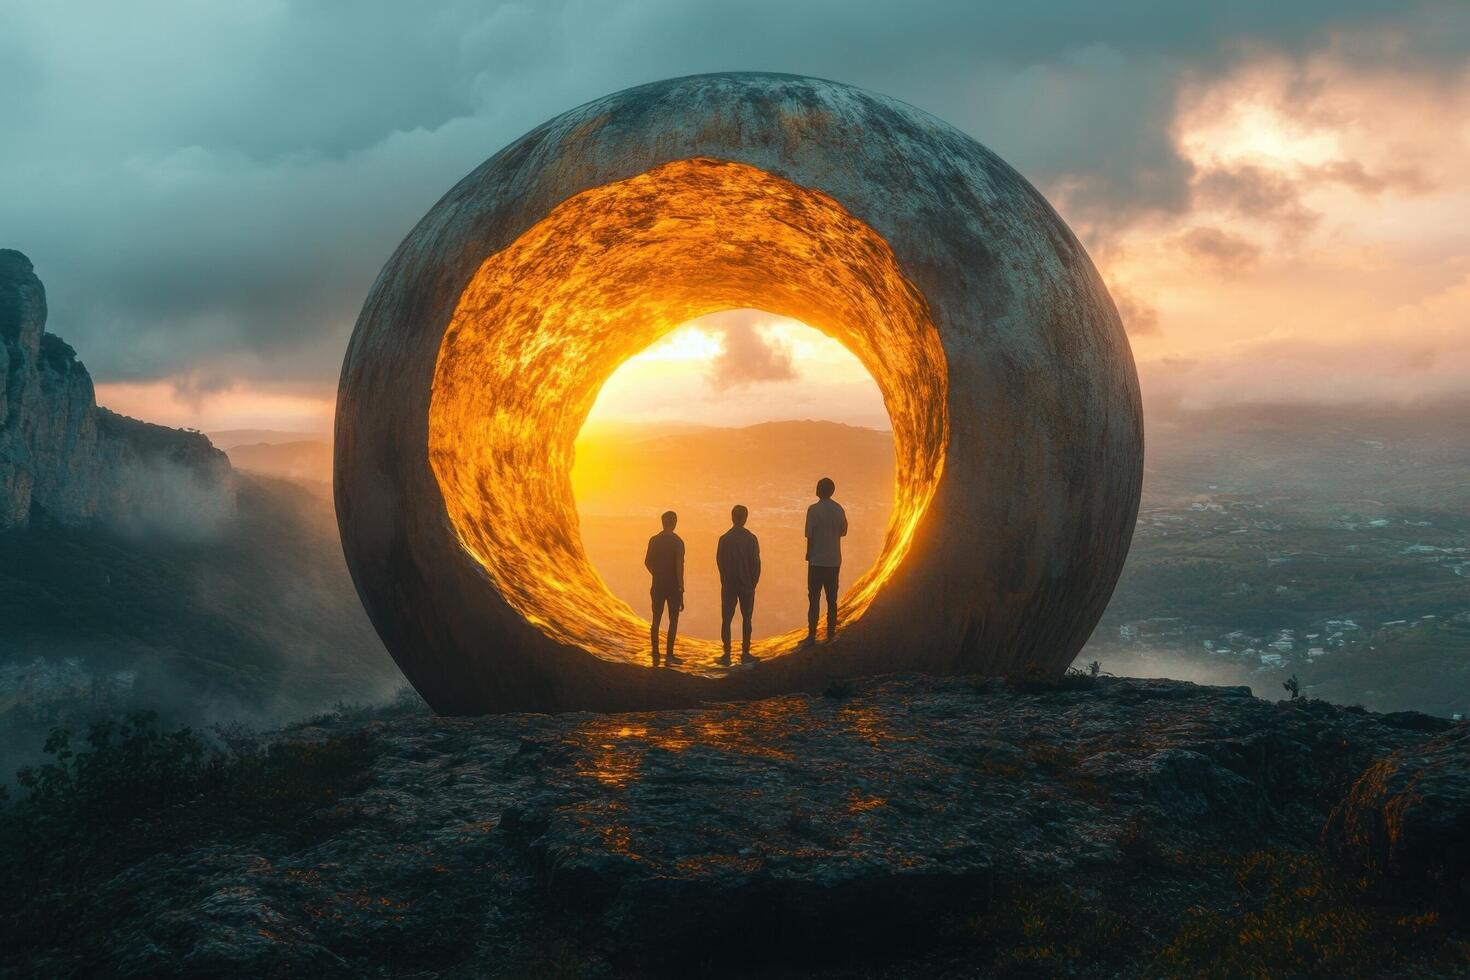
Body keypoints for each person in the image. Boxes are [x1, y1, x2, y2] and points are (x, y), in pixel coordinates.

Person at [715, 504, 761, 666]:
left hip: (728, 584)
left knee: (726, 619)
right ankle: (745, 652)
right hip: (746, 584)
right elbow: (755, 564)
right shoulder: (751, 538)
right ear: (745, 518)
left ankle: (726, 654)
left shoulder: (724, 538)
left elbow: (719, 562)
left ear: (732, 517)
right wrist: (752, 583)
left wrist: (725, 579)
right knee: (747, 618)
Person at [804, 477, 847, 644]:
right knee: (832, 599)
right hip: (834, 560)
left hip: (816, 560)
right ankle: (830, 634)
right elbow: (844, 531)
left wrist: (808, 553)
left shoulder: (813, 510)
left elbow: (810, 535)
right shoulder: (839, 509)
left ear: (820, 490)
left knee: (814, 598)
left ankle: (811, 635)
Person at [643, 510, 684, 666]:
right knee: (673, 621)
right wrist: (681, 589)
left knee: (656, 619)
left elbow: (647, 562)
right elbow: (679, 567)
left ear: (662, 522)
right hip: (673, 587)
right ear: (674, 523)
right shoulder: (678, 542)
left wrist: (657, 574)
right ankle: (670, 655)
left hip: (658, 585)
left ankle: (655, 653)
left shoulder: (654, 540)